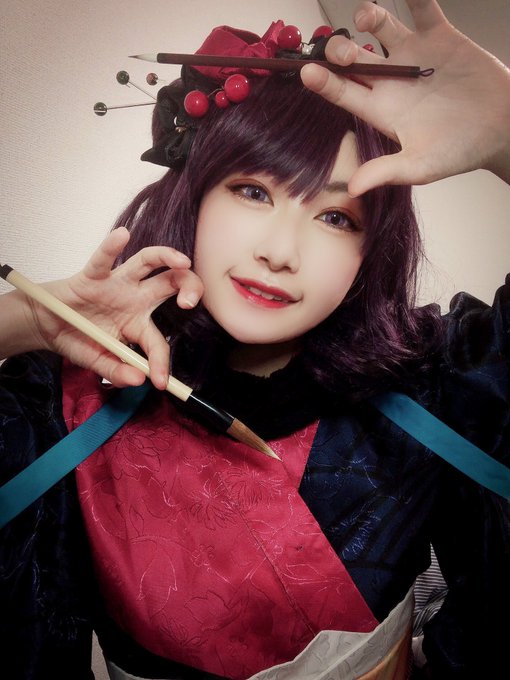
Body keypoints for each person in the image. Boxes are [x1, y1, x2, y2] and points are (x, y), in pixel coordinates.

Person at [1, 1, 509, 678]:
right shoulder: (63, 404)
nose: (280, 251)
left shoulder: (437, 380)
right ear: (195, 197)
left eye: (336, 216)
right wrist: (26, 320)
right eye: (252, 191)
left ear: (371, 252)